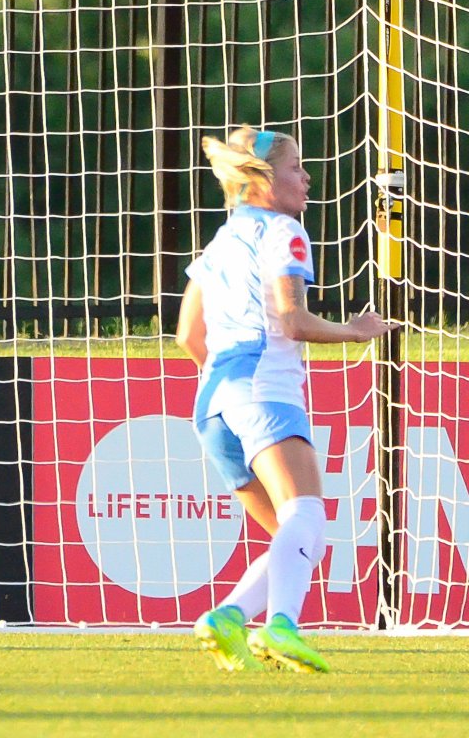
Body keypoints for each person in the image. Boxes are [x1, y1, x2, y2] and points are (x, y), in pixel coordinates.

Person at [177, 126, 396, 673]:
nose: (307, 178)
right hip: (262, 388)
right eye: (297, 167)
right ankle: (283, 627)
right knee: (305, 514)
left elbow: (187, 337)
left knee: (292, 537)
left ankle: (226, 618)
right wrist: (354, 330)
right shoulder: (284, 232)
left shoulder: (221, 241)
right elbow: (293, 321)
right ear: (263, 180)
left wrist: (227, 383)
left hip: (212, 403)